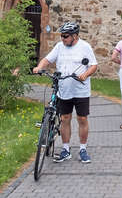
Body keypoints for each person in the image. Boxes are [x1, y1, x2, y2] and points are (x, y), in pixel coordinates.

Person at [32, 22, 98, 164]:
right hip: (64, 90)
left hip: (81, 90)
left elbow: (93, 65)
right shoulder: (59, 47)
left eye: (65, 36)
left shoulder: (85, 47)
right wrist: (39, 67)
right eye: (61, 35)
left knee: (82, 119)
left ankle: (82, 149)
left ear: (75, 36)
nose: (62, 38)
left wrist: (85, 74)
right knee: (65, 118)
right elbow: (47, 59)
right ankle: (66, 149)